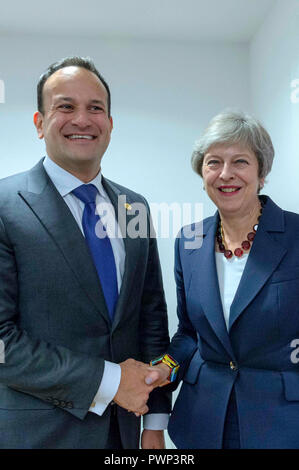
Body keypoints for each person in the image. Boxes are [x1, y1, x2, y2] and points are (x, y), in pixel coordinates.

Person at [0, 56, 170, 449]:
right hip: (38, 434)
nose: (83, 119)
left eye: (96, 108)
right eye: (65, 106)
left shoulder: (134, 208)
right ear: (39, 123)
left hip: (127, 434)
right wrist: (109, 382)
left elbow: (151, 319)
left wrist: (156, 422)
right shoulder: (6, 207)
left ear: (110, 124)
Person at [149, 110, 299, 448]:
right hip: (202, 420)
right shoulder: (189, 241)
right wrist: (164, 368)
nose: (225, 174)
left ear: (262, 173)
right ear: (201, 173)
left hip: (283, 423)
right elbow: (189, 332)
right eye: (213, 162)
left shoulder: (295, 235)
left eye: (240, 162)